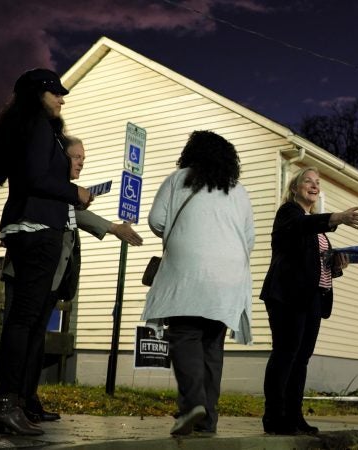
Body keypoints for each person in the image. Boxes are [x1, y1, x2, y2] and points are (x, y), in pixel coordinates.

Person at [1, 136, 143, 424]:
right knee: (21, 335)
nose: (81, 162)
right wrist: (111, 227)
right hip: (28, 272)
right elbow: (69, 214)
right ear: (60, 157)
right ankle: (9, 400)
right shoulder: (46, 184)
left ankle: (27, 399)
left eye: (83, 159)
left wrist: (113, 228)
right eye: (76, 157)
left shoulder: (65, 192)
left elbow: (75, 214)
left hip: (50, 276)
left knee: (37, 339)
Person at [0, 68, 92, 436]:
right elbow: (35, 177)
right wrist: (74, 192)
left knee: (24, 321)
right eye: (56, 93)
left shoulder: (25, 125)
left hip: (24, 225)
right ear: (38, 94)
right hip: (38, 228)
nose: (62, 99)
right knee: (24, 321)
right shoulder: (39, 125)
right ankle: (5, 404)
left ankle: (9, 406)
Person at [141, 130, 255, 436]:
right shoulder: (237, 189)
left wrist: (182, 237)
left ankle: (192, 404)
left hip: (189, 272)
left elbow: (156, 220)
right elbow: (249, 238)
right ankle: (208, 421)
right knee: (211, 345)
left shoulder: (178, 180)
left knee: (185, 336)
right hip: (229, 277)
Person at [259, 167, 358, 435]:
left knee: (301, 358)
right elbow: (300, 227)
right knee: (286, 354)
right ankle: (274, 417)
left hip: (312, 299)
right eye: (307, 181)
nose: (314, 185)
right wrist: (336, 217)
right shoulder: (289, 214)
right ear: (295, 188)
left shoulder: (317, 227)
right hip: (288, 296)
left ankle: (294, 416)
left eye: (317, 182)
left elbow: (314, 264)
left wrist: (336, 265)